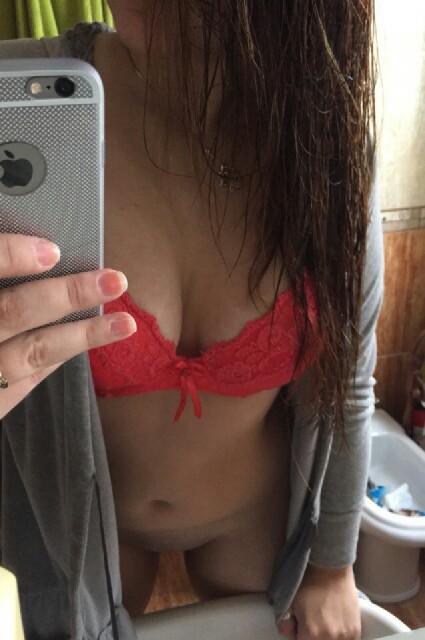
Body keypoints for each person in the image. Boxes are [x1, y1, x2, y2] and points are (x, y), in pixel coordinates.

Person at [0, 2, 384, 639]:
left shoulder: (328, 140)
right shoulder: (21, 104)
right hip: (86, 535)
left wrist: (332, 567)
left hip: (252, 522)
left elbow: (347, 386)